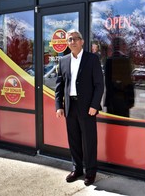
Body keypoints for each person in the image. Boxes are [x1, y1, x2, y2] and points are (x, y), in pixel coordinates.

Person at [55, 29, 104, 186]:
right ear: (67, 43)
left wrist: (94, 105)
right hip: (70, 106)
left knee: (89, 140)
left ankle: (90, 172)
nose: (73, 41)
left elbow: (99, 85)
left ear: (82, 41)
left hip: (87, 107)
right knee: (74, 140)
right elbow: (59, 85)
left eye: (76, 39)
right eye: (70, 39)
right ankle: (77, 169)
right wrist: (59, 106)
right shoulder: (63, 61)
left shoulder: (92, 59)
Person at [104, 37, 134, 117]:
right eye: (124, 44)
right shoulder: (125, 60)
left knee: (111, 126)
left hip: (111, 100)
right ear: (121, 46)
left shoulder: (108, 61)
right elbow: (128, 82)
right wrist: (131, 99)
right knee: (122, 126)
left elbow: (108, 83)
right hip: (123, 100)